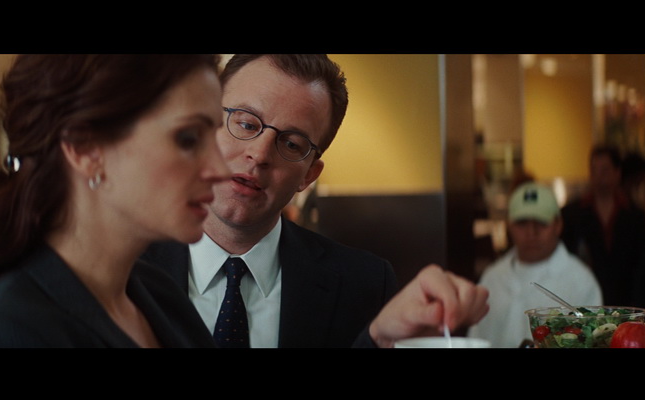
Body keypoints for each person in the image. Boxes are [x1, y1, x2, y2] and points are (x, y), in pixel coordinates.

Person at [141, 54, 489, 348]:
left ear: (308, 175)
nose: (259, 154)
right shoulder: (126, 265)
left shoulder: (364, 285)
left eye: (292, 144)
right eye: (246, 124)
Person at [0, 54, 230, 347]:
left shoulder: (162, 294)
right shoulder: (4, 330)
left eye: (214, 137)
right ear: (84, 148)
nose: (220, 169)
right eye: (188, 139)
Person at [467, 182, 603, 348]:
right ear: (509, 225)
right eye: (522, 223)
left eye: (541, 222)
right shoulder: (492, 278)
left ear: (558, 225)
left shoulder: (581, 282)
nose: (531, 232)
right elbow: (475, 340)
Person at [561, 144, 645, 307]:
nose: (598, 176)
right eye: (594, 170)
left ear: (617, 172)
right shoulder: (572, 214)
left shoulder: (635, 216)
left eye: (604, 170)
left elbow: (642, 267)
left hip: (625, 302)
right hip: (583, 300)